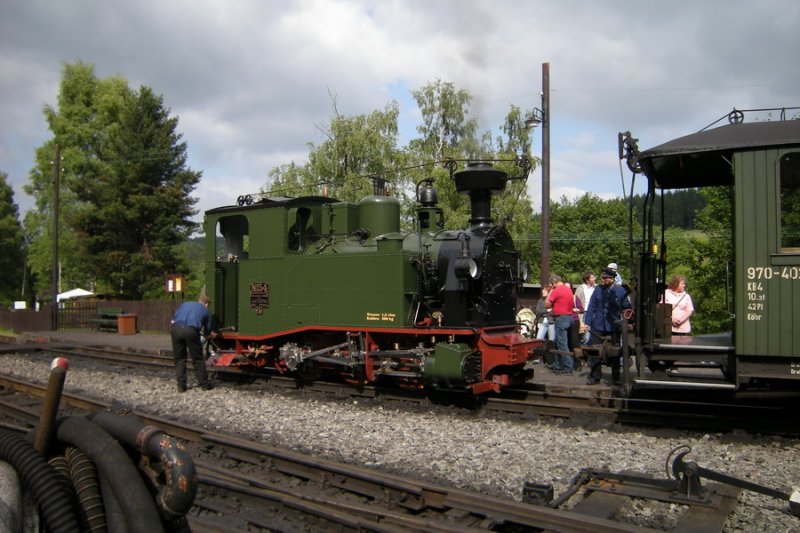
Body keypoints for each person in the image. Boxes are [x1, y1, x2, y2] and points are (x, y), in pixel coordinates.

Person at [584, 268, 631, 385]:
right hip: (598, 325)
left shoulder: (620, 291)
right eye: (604, 278)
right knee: (594, 351)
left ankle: (616, 377)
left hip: (613, 326)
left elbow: (627, 307)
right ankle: (595, 376)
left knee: (615, 352)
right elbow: (592, 306)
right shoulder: (598, 289)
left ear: (613, 279)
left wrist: (627, 321)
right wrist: (587, 322)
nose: (605, 280)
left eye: (608, 278)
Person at [171, 296, 217, 392]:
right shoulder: (205, 310)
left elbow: (173, 319)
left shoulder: (184, 304)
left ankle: (181, 386)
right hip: (191, 331)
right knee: (197, 359)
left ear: (199, 301)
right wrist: (212, 335)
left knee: (180, 359)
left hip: (176, 330)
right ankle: (205, 385)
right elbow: (207, 332)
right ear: (206, 304)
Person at [545, 275, 574, 374]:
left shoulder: (556, 290)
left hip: (561, 318)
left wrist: (550, 292)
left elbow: (547, 304)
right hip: (568, 317)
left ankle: (568, 366)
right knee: (558, 342)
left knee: (562, 343)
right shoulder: (568, 289)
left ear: (553, 283)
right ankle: (557, 364)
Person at [574, 271, 596, 345]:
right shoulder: (580, 289)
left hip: (595, 313)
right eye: (592, 277)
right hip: (585, 313)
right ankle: (585, 348)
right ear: (587, 280)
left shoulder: (596, 288)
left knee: (595, 334)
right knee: (586, 335)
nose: (595, 279)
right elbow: (576, 302)